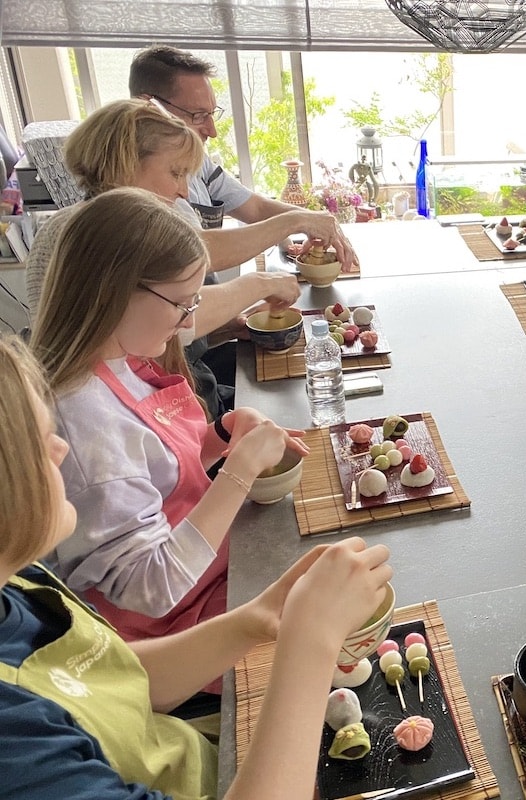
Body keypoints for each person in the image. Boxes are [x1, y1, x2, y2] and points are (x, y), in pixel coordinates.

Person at [0, 333, 392, 799]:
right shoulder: (15, 748)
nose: (63, 453)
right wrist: (310, 642)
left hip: (209, 757)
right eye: (39, 444)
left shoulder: (20, 583)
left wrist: (257, 619)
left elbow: (122, 677)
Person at [31, 187, 309, 648]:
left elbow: (154, 476)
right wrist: (238, 474)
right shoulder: (84, 424)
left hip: (212, 572)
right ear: (113, 293)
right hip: (178, 629)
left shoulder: (120, 360)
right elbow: (152, 588)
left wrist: (219, 435)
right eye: (183, 303)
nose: (188, 323)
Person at [23, 99, 336, 418]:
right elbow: (148, 326)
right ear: (125, 163)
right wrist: (260, 282)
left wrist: (227, 328)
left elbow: (163, 331)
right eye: (176, 173)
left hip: (182, 401)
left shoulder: (140, 217)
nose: (185, 191)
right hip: (144, 417)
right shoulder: (94, 234)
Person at [128, 44, 357, 268]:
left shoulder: (196, 161)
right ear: (150, 106)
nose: (213, 131)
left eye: (211, 114)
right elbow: (195, 252)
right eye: (198, 116)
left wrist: (317, 220)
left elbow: (255, 207)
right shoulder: (134, 180)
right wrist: (295, 223)